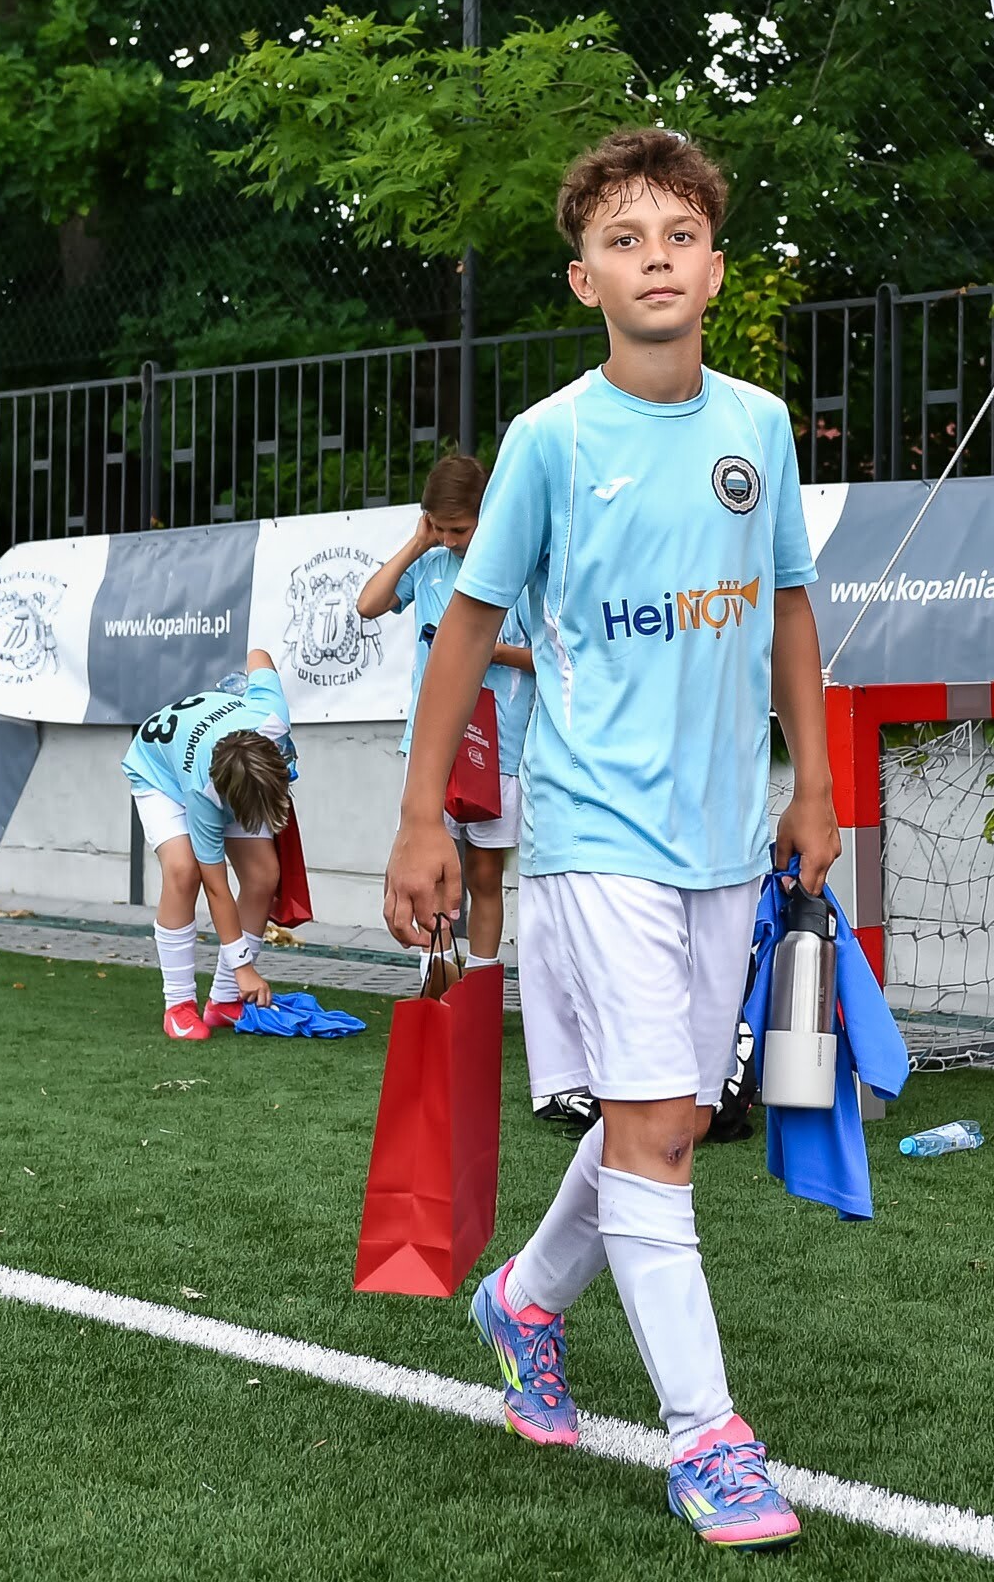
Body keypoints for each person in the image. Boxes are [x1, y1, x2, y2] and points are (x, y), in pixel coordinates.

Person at [383, 125, 836, 1551]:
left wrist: (814, 785)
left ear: (716, 268)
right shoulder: (551, 441)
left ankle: (523, 1301)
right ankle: (709, 1440)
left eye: (679, 236)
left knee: (670, 1118)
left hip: (724, 839)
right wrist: (421, 818)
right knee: (654, 1132)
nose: (656, 260)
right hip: (592, 834)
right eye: (625, 241)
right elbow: (468, 626)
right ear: (584, 278)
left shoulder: (759, 428)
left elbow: (787, 609)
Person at [356, 453, 537, 978]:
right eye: (439, 527)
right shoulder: (430, 566)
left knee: (483, 875)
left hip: (498, 749)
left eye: (459, 529)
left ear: (488, 516)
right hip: (431, 748)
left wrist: (490, 652)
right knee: (429, 869)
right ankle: (436, 978)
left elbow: (547, 658)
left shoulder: (518, 577)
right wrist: (419, 543)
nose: (450, 539)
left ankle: (480, 982)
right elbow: (368, 604)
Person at [123, 649, 296, 1040]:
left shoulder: (272, 716)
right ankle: (179, 1005)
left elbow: (258, 655)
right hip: (159, 771)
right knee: (184, 872)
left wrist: (246, 684)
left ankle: (225, 1000)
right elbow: (216, 887)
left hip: (225, 760)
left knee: (263, 874)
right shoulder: (202, 793)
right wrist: (244, 966)